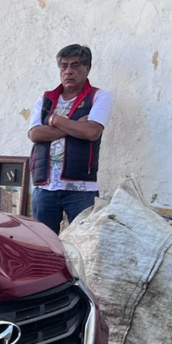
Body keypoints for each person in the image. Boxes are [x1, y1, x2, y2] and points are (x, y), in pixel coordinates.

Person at [27, 44, 114, 233]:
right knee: (44, 245)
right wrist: (74, 124)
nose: (68, 71)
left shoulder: (99, 97)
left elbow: (92, 132)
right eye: (64, 66)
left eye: (75, 66)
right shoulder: (46, 99)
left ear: (87, 69)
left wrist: (54, 121)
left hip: (82, 189)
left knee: (83, 244)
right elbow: (35, 134)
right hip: (45, 187)